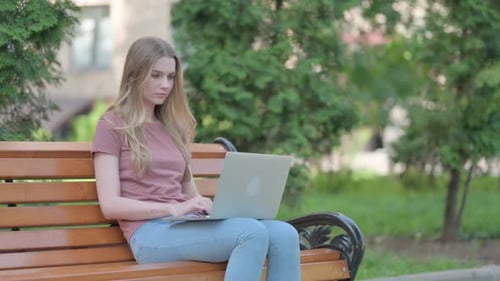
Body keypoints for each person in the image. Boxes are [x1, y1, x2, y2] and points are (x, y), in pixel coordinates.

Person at [91, 36, 301, 281]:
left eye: (170, 77)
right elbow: (110, 205)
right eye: (156, 75)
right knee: (250, 233)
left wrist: (212, 207)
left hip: (185, 224)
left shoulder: (173, 127)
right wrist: (172, 208)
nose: (165, 85)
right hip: (149, 234)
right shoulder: (112, 126)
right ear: (134, 75)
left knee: (285, 234)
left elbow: (189, 190)